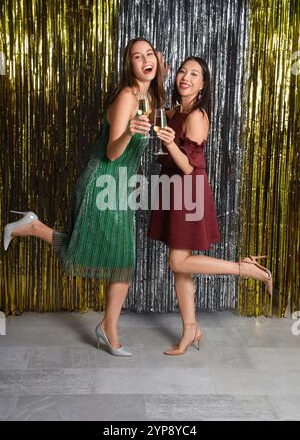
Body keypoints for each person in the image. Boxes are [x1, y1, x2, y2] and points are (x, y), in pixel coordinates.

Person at [4, 37, 165, 357]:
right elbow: (112, 151)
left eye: (149, 54)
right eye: (137, 56)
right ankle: (108, 327)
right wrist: (130, 131)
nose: (145, 59)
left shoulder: (149, 98)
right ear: (128, 65)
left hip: (119, 188)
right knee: (107, 256)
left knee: (119, 259)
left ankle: (107, 325)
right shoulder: (127, 97)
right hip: (101, 182)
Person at [148, 56, 272, 356]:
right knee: (181, 267)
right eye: (182, 71)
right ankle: (191, 330)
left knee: (178, 262)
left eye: (194, 74)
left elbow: (190, 167)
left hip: (189, 191)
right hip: (173, 189)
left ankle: (244, 268)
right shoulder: (175, 110)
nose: (185, 77)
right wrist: (160, 74)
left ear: (203, 85)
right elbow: (153, 112)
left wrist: (168, 145)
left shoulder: (197, 116)